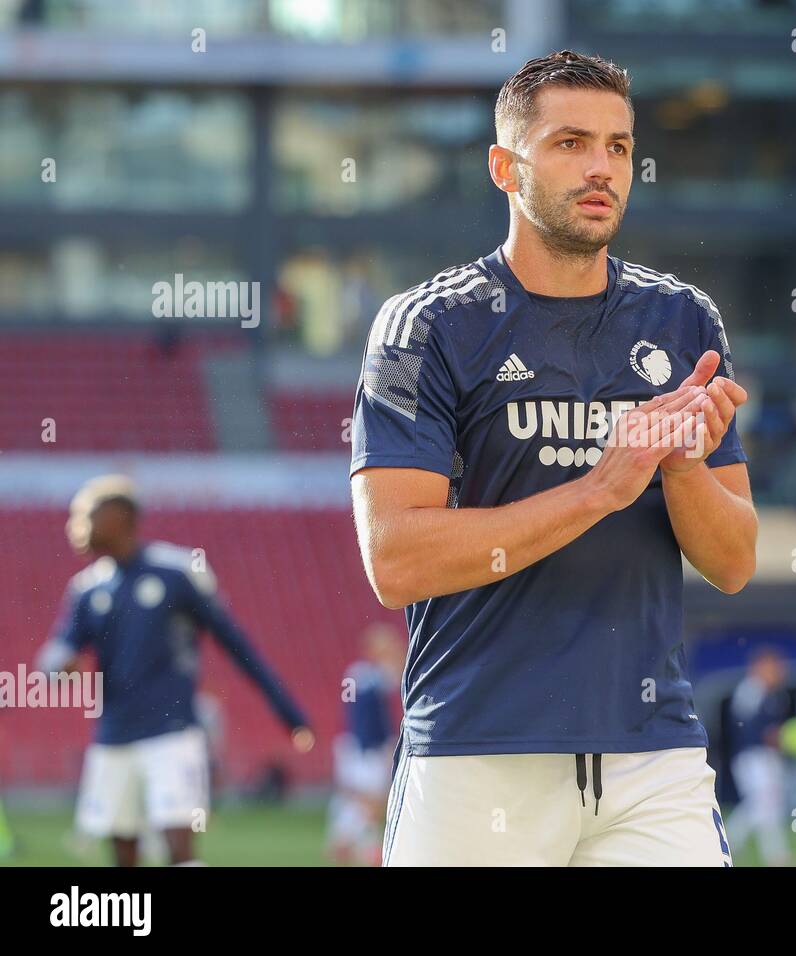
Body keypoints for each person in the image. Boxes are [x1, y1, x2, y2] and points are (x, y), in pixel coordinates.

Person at [350, 50, 757, 866]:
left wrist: (678, 469)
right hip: (477, 752)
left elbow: (735, 562)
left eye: (619, 146)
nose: (602, 168)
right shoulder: (422, 326)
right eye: (571, 143)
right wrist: (600, 488)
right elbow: (394, 559)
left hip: (653, 756)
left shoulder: (684, 321)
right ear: (506, 167)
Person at [36, 475, 314, 866]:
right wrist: (57, 669)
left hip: (172, 735)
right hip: (113, 737)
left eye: (85, 515)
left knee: (178, 849)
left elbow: (237, 645)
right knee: (122, 853)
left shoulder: (177, 573)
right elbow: (54, 655)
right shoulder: (86, 589)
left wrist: (289, 713)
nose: (75, 526)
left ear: (120, 518)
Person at [327, 623, 404, 865]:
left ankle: (361, 849)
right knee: (368, 805)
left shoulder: (363, 676)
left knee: (361, 811)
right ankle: (349, 845)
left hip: (362, 750)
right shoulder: (364, 675)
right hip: (363, 753)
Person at [725, 647, 792, 866]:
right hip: (751, 756)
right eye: (773, 666)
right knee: (760, 803)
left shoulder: (774, 694)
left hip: (767, 757)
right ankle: (727, 842)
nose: (778, 671)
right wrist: (766, 736)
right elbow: (742, 726)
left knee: (769, 807)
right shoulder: (750, 689)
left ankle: (775, 855)